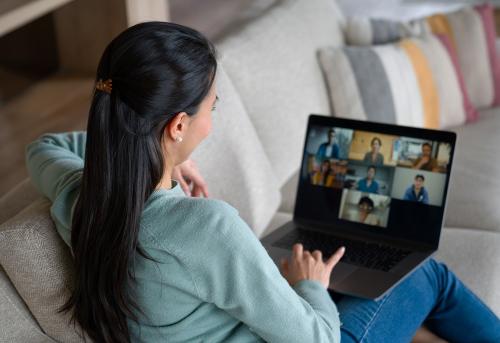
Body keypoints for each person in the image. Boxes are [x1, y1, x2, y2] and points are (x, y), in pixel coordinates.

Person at [24, 22, 500, 343]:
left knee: (353, 268)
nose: (215, 115)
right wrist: (309, 284)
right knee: (425, 273)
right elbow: (319, 339)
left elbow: (43, 147)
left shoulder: (80, 196)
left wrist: (149, 158)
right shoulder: (205, 228)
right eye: (213, 106)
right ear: (177, 126)